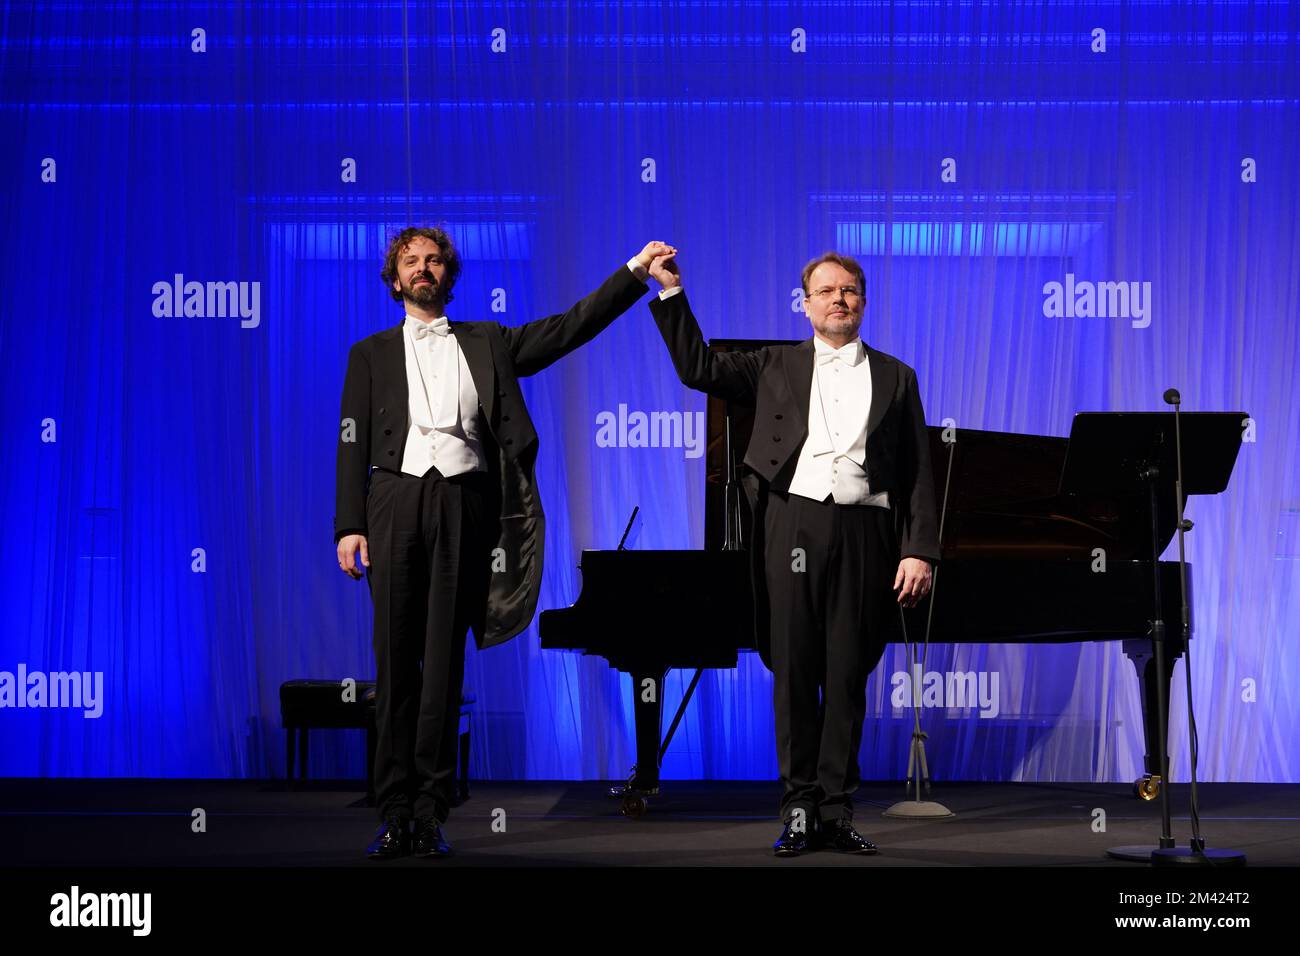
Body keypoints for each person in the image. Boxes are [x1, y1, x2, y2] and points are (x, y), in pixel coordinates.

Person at [334, 226, 674, 858]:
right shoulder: (369, 353)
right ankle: (394, 808)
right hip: (393, 502)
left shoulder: (487, 341)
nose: (424, 268)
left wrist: (633, 272)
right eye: (411, 261)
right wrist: (349, 524)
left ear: (448, 274)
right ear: (394, 276)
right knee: (394, 662)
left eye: (434, 260)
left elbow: (571, 327)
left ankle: (431, 811)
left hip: (466, 503)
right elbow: (351, 441)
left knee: (443, 664)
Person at [646, 250, 939, 856]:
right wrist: (671, 293)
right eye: (827, 290)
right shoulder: (773, 363)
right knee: (795, 670)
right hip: (792, 525)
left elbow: (919, 471)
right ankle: (799, 807)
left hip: (866, 532)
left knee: (848, 673)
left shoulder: (897, 375)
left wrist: (919, 550)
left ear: (864, 301)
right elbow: (698, 369)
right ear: (805, 303)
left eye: (851, 290)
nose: (840, 298)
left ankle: (836, 810)